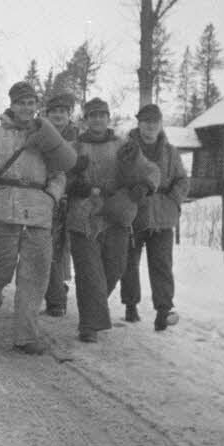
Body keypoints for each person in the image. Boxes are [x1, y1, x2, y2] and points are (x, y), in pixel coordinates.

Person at [0, 81, 76, 354]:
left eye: (31, 103)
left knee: (36, 275)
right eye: (21, 103)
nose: (26, 108)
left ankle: (26, 336)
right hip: (1, 211)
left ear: (37, 106)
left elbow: (59, 174)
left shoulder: (47, 136)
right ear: (11, 104)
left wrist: (52, 196)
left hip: (39, 214)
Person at [63, 98, 161, 342]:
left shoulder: (123, 145)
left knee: (115, 268)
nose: (97, 119)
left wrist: (145, 186)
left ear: (108, 118)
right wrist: (73, 180)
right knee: (89, 271)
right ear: (85, 119)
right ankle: (89, 325)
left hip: (116, 214)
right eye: (92, 115)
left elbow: (151, 170)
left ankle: (93, 309)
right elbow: (58, 176)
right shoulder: (73, 147)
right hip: (83, 215)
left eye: (101, 115)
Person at [122, 103, 190, 331]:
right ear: (139, 124)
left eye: (155, 122)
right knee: (129, 263)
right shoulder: (127, 149)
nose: (150, 126)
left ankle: (163, 311)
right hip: (134, 214)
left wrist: (173, 200)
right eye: (146, 121)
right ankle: (130, 305)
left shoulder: (171, 152)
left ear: (160, 124)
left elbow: (182, 180)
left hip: (162, 216)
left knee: (162, 264)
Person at [42, 93, 80, 317]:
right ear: (47, 114)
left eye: (63, 111)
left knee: (64, 249)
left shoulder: (78, 138)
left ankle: (58, 289)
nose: (58, 115)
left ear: (69, 115)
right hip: (47, 196)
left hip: (74, 199)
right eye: (54, 111)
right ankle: (55, 299)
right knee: (48, 246)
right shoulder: (40, 134)